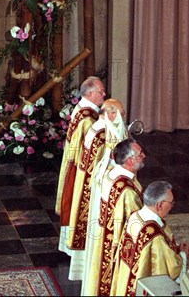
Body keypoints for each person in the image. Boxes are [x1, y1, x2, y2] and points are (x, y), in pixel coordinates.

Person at [66, 98, 128, 281]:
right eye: (120, 113)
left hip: (93, 185)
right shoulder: (103, 134)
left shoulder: (99, 128)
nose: (123, 116)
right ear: (109, 114)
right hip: (100, 190)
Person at [81, 137, 145, 296]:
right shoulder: (127, 192)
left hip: (103, 236)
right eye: (140, 154)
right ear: (129, 161)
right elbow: (135, 223)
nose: (144, 156)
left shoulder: (111, 172)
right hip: (114, 243)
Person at [111, 181, 189, 297]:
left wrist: (174, 247)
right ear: (159, 205)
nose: (172, 206)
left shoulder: (134, 217)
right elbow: (171, 271)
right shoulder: (155, 235)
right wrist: (183, 255)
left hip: (126, 282)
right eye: (171, 203)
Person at [56, 76, 105, 255]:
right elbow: (93, 149)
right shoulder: (88, 119)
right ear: (91, 94)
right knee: (78, 205)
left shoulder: (82, 108)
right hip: (81, 169)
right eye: (101, 92)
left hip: (73, 164)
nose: (104, 94)